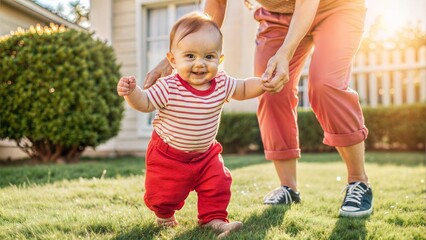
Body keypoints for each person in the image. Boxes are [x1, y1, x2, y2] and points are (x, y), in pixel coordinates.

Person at [143, 0, 373, 218]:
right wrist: (172, 60)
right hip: (277, 16)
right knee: (270, 89)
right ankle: (288, 188)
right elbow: (216, 5)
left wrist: (285, 52)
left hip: (336, 8)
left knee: (325, 84)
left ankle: (358, 181)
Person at [117, 12, 264, 236]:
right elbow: (145, 102)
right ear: (173, 60)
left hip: (207, 155)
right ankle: (164, 216)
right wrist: (132, 93)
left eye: (208, 56)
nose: (200, 64)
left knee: (218, 184)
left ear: (219, 59)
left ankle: (214, 219)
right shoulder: (168, 86)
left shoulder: (222, 83)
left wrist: (264, 83)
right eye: (190, 56)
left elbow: (243, 88)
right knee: (164, 194)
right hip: (168, 156)